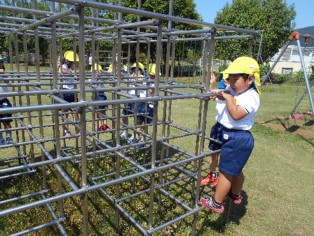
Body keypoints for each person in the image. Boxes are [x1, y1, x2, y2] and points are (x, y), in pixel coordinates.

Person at [200, 56, 261, 214]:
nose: (231, 83)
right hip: (229, 134)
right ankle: (235, 194)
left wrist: (227, 97)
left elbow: (236, 114)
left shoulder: (251, 97)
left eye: (235, 79)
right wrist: (215, 91)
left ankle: (217, 202)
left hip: (237, 137)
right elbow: (216, 94)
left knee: (226, 172)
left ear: (249, 79)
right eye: (229, 79)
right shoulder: (232, 91)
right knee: (235, 170)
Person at [200, 72, 229, 188]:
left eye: (229, 79)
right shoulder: (222, 92)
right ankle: (212, 175)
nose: (226, 81)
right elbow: (211, 95)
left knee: (225, 157)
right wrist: (212, 85)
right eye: (225, 79)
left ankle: (221, 180)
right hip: (218, 126)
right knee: (214, 155)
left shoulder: (233, 94)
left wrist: (212, 87)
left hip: (229, 129)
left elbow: (219, 94)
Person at [59, 50, 80, 137]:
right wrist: (71, 72)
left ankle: (78, 129)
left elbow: (80, 72)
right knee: (65, 113)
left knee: (75, 112)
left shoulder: (73, 69)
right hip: (65, 91)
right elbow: (61, 70)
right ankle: (66, 131)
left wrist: (75, 71)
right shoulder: (64, 67)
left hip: (73, 92)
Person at [91, 63, 110, 131]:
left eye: (97, 70)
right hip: (96, 95)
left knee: (103, 111)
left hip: (101, 95)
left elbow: (105, 77)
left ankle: (104, 125)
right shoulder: (92, 78)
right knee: (98, 112)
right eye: (95, 71)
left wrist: (101, 73)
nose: (96, 72)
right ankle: (100, 126)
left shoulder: (101, 77)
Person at [0, 56, 13, 145]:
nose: (2, 64)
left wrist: (2, 74)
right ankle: (0, 138)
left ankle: (9, 137)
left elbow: (7, 81)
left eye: (2, 62)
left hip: (3, 99)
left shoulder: (2, 72)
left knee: (6, 120)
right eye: (1, 62)